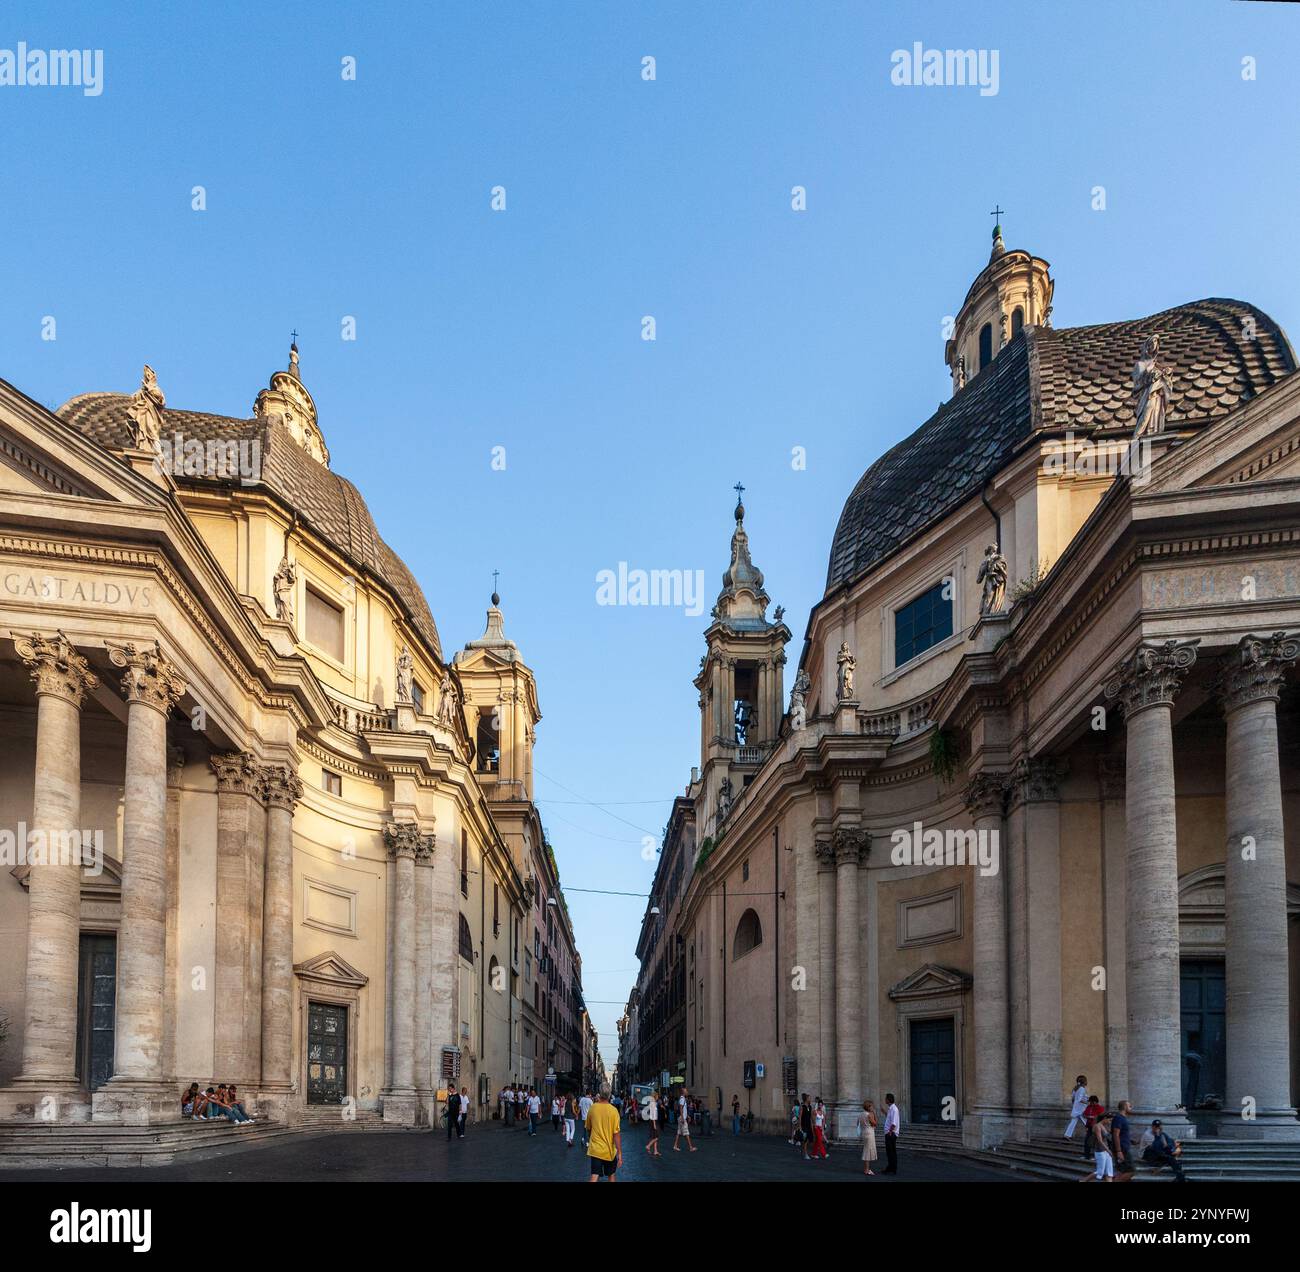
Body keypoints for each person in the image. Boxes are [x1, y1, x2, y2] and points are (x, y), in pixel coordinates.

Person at [585, 1091, 623, 1183]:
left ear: (600, 1094)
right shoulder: (614, 1111)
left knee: (594, 1175)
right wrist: (619, 1153)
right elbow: (616, 1134)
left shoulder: (593, 1108)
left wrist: (591, 1139)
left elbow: (588, 1128)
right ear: (609, 1095)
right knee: (611, 1175)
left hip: (596, 1149)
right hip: (609, 1150)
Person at [1088, 1111, 1114, 1183]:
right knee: (1100, 1172)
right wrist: (1109, 1151)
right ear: (1105, 1118)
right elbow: (1100, 1140)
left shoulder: (1104, 1126)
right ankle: (1082, 1180)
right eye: (1109, 1120)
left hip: (1106, 1150)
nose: (1110, 1122)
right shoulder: (1097, 1126)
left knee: (1109, 1172)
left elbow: (1109, 1137)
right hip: (1100, 1151)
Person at [1111, 1100, 1134, 1179]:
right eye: (1129, 1106)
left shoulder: (1122, 1118)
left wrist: (1131, 1141)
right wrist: (1119, 1151)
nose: (1131, 1108)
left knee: (1122, 1171)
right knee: (1130, 1171)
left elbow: (1121, 1134)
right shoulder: (1119, 1118)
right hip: (1122, 1149)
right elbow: (1115, 1134)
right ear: (1124, 1107)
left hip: (1124, 1147)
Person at [1064, 1075, 1089, 1142]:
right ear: (1084, 1082)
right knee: (1087, 1122)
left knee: (1073, 1122)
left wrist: (1074, 1106)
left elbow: (1073, 1098)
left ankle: (1067, 1135)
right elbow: (1079, 1099)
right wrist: (1087, 1103)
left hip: (1076, 1108)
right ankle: (1091, 1135)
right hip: (1081, 1109)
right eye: (1086, 1080)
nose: (1087, 1082)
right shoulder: (1082, 1089)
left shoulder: (1075, 1089)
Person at [1081, 1092, 1105, 1159]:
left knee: (1095, 1142)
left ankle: (1095, 1156)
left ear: (1094, 1102)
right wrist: (1087, 1116)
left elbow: (1101, 1117)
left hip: (1096, 1127)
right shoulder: (1089, 1107)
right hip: (1089, 1126)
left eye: (1091, 1102)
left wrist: (1093, 1117)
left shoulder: (1100, 1108)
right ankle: (1087, 1155)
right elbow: (1084, 1114)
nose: (1089, 1103)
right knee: (1087, 1141)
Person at [673, 1087, 697, 1153]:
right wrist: (683, 1118)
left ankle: (675, 1145)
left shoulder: (683, 1099)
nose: (687, 1092)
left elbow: (684, 1110)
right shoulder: (682, 1099)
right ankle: (691, 1147)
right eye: (686, 1091)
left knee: (679, 1132)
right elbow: (680, 1108)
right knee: (686, 1133)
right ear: (683, 1092)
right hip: (682, 1118)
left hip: (682, 1117)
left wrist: (687, 1116)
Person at [858, 1100, 878, 1176]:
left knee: (867, 1150)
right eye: (872, 1106)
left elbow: (858, 1124)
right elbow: (875, 1123)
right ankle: (867, 1169)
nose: (873, 1107)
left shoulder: (861, 1114)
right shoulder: (869, 1115)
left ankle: (866, 1169)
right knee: (867, 1151)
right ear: (868, 1107)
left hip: (864, 1133)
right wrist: (874, 1114)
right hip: (869, 1133)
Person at [882, 1093, 901, 1174]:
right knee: (889, 1152)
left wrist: (890, 1132)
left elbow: (893, 1123)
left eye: (886, 1098)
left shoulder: (894, 1109)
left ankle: (892, 1168)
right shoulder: (891, 1109)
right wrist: (884, 1112)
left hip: (891, 1134)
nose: (885, 1100)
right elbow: (890, 1118)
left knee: (891, 1152)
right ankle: (891, 1167)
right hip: (889, 1133)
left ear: (888, 1099)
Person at [645, 1089, 661, 1157]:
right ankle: (648, 1146)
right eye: (657, 1096)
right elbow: (652, 1114)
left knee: (655, 1136)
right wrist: (654, 1123)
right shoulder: (653, 1103)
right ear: (655, 1096)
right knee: (656, 1137)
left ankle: (655, 1151)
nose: (658, 1097)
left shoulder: (654, 1103)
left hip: (653, 1120)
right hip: (653, 1121)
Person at [799, 1093, 813, 1160]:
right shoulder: (802, 1106)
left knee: (809, 1139)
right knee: (805, 1139)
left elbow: (810, 1117)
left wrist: (812, 1125)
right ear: (806, 1099)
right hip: (803, 1125)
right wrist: (800, 1127)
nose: (810, 1099)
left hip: (809, 1125)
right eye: (809, 1098)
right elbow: (800, 1117)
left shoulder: (810, 1107)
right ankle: (805, 1154)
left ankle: (803, 1150)